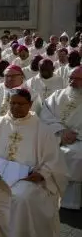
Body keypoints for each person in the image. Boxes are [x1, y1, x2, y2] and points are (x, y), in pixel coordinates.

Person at [0, 87, 67, 237]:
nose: (16, 107)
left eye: (21, 104)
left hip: (28, 180)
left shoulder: (43, 130)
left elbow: (53, 161)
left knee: (21, 198)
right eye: (13, 103)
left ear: (30, 104)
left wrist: (42, 174)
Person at [38, 66, 82, 209]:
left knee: (76, 155)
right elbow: (45, 114)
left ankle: (70, 200)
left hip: (78, 140)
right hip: (55, 135)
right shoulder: (58, 95)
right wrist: (61, 131)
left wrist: (75, 135)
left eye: (77, 79)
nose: (72, 82)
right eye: (70, 78)